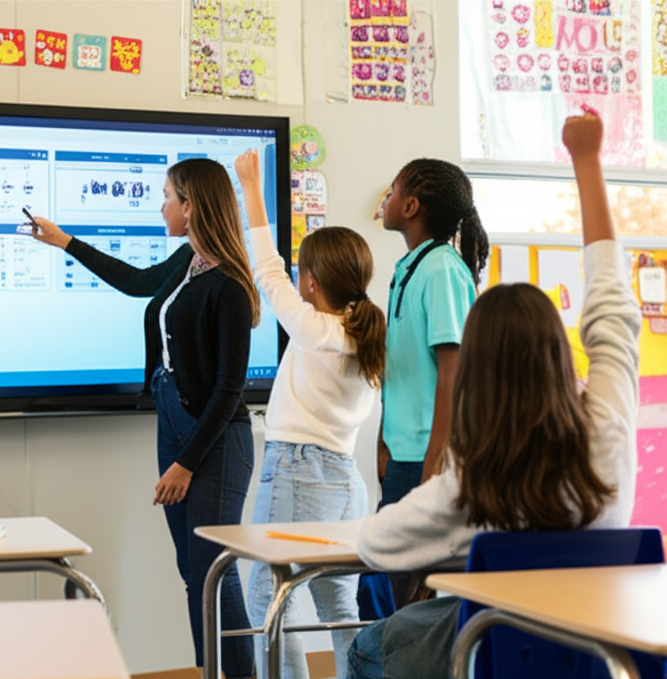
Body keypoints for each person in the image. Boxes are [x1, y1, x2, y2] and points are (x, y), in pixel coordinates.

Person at [346, 112, 639, 678]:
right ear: (561, 353)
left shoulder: (472, 482)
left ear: (475, 368)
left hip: (497, 655)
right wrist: (587, 162)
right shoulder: (608, 430)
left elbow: (377, 545)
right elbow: (612, 310)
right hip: (600, 656)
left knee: (370, 646)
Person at [30, 158, 260, 679]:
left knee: (213, 574)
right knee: (192, 573)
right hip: (173, 418)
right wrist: (66, 242)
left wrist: (185, 464)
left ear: (192, 204)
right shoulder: (187, 262)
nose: (161, 206)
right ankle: (211, 672)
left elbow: (228, 391)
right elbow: (135, 282)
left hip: (217, 438)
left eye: (167, 197)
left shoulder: (227, 284)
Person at [234, 150, 385, 679]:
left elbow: (266, 270)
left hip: (299, 472)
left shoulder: (318, 331)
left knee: (269, 603)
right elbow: (277, 273)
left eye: (301, 274)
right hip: (345, 481)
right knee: (339, 610)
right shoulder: (363, 335)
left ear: (313, 281)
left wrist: (252, 187)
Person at [359, 155, 492, 619]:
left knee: (400, 597)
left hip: (428, 461)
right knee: (388, 595)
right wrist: (382, 440)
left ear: (411, 206)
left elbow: (453, 376)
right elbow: (405, 373)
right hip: (405, 456)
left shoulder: (441, 270)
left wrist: (436, 459)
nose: (386, 200)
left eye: (392, 191)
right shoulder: (409, 268)